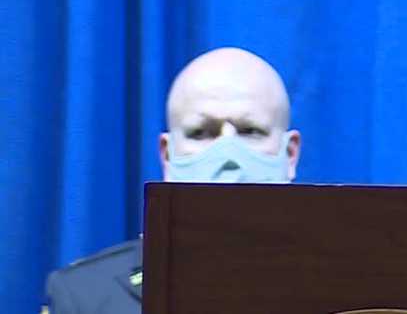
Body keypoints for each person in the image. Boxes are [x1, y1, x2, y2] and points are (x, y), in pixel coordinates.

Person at [42, 47, 301, 314]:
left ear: (290, 155)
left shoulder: (343, 284)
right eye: (201, 133)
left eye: (250, 131)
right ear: (167, 156)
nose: (228, 156)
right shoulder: (85, 296)